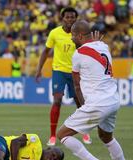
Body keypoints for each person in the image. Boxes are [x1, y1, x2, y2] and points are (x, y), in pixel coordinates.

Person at [57, 20, 133, 160]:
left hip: (97, 103)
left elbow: (76, 85)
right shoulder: (103, 46)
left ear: (79, 35)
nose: (71, 38)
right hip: (113, 100)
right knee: (106, 136)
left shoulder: (78, 54)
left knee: (62, 135)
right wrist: (97, 41)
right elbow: (96, 43)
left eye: (72, 35)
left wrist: (83, 105)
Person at [34, 7, 91, 146]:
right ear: (63, 18)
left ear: (75, 19)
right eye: (67, 17)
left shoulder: (80, 34)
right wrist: (38, 69)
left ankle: (84, 132)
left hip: (75, 72)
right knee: (57, 100)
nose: (70, 19)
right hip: (58, 70)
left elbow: (87, 52)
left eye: (72, 17)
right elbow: (45, 52)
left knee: (80, 102)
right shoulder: (54, 33)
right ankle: (53, 135)